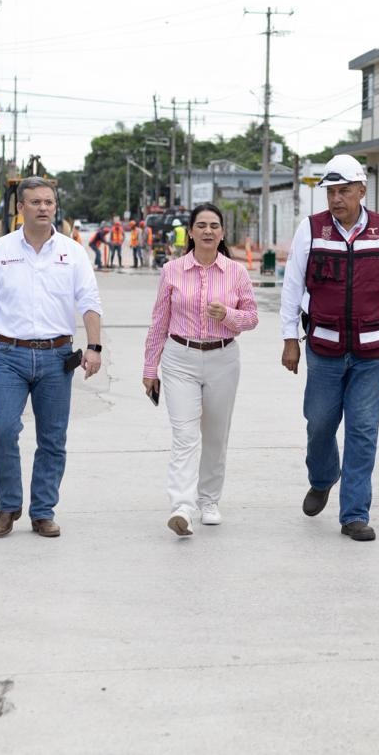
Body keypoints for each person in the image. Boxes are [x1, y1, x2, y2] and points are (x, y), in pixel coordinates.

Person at [280, 153, 379, 542]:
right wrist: (290, 339)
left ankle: (355, 514)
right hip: (324, 348)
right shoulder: (311, 230)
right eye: (331, 192)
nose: (337, 199)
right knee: (319, 423)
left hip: (372, 352)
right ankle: (322, 477)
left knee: (363, 430)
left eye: (344, 191)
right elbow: (293, 288)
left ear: (362, 191)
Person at [0, 176, 103, 539]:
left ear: (55, 207)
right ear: (20, 207)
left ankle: (42, 511)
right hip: (10, 354)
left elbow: (89, 301)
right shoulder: (0, 250)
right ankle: (9, 505)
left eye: (49, 202)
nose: (43, 207)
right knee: (3, 428)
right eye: (35, 202)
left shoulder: (72, 252)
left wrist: (94, 346)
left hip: (57, 357)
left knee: (53, 438)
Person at [143, 203, 259, 537]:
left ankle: (208, 500)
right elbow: (158, 322)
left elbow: (251, 317)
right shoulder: (172, 270)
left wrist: (228, 316)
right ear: (191, 231)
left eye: (214, 226)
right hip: (180, 358)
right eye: (201, 225)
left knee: (216, 435)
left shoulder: (236, 273)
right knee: (185, 435)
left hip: (223, 359)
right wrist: (150, 367)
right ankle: (181, 506)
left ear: (222, 233)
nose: (208, 231)